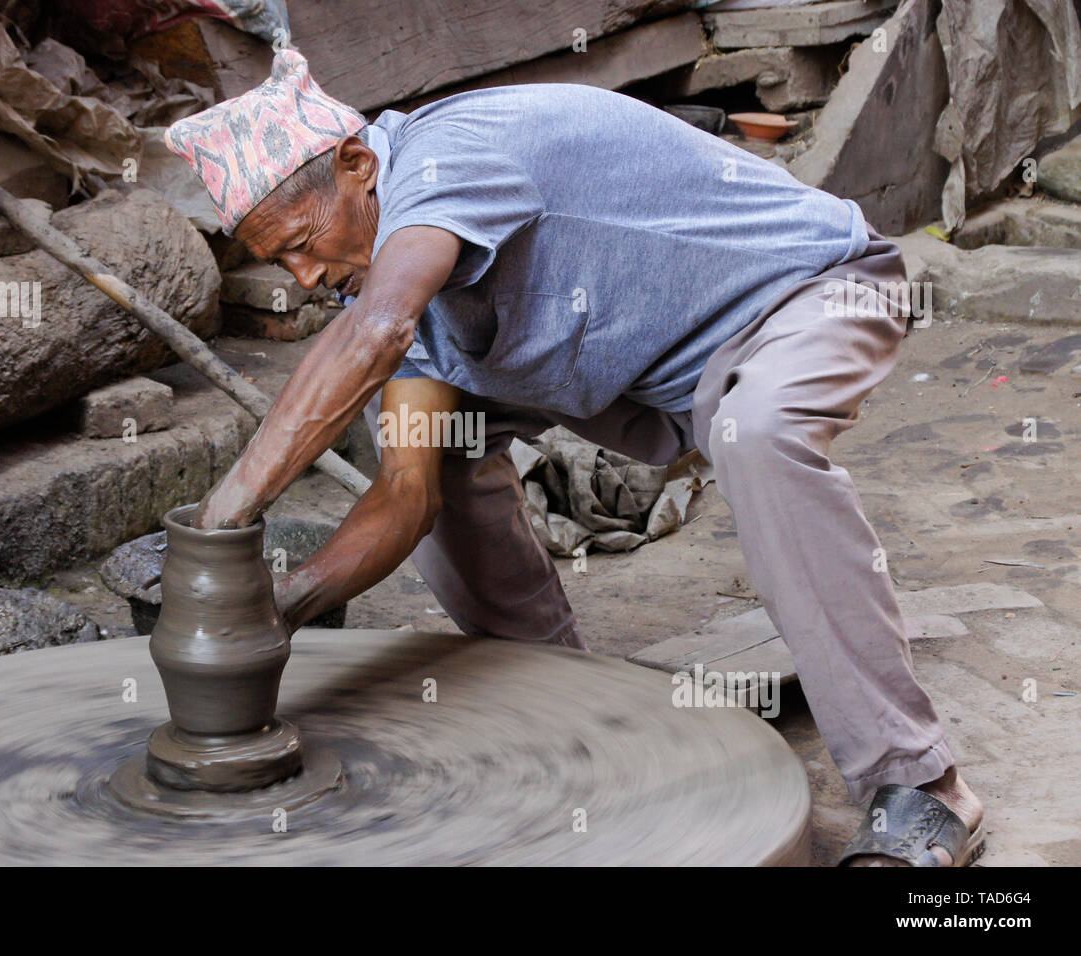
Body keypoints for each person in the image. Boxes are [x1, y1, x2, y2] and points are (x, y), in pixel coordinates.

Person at [164, 47, 984, 866]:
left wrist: (224, 517)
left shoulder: (449, 153)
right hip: (654, 371)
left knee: (759, 433)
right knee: (436, 451)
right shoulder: (390, 289)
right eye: (282, 262)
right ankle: (567, 702)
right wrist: (278, 610)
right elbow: (406, 497)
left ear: (357, 164)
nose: (305, 277)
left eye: (304, 242)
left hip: (809, 294)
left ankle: (920, 784)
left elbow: (375, 332)